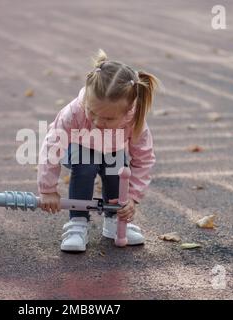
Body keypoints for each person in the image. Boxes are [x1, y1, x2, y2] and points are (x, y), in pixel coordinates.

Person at [37, 49, 158, 252]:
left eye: (109, 119)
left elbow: (144, 158)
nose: (97, 121)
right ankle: (77, 223)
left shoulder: (135, 120)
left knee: (117, 170)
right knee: (86, 164)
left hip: (113, 150)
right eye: (91, 112)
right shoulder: (74, 111)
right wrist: (48, 189)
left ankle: (113, 220)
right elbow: (52, 146)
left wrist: (132, 197)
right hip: (79, 148)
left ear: (127, 111)